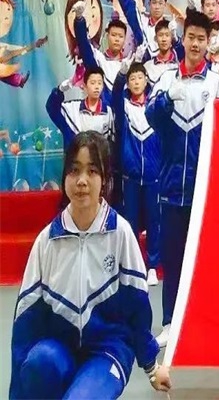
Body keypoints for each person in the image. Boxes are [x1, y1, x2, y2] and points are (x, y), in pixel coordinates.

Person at [9, 132, 171, 399]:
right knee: (39, 363)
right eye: (74, 170)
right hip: (59, 346)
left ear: (105, 179)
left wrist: (152, 368)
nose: (82, 181)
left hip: (108, 349)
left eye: (92, 171)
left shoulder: (120, 234)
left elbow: (137, 308)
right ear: (65, 177)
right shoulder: (47, 241)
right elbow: (26, 322)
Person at [145, 10, 219, 348]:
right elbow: (150, 117)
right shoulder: (167, 79)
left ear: (208, 43)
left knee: (205, 260)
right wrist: (167, 100)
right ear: (183, 39)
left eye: (201, 39)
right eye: (191, 37)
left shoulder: (216, 83)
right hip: (170, 188)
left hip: (203, 190)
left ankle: (205, 322)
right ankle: (169, 322)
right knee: (173, 259)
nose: (195, 44)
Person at [112, 58, 161, 286]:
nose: (136, 82)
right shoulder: (123, 106)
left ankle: (152, 266)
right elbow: (114, 95)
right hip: (130, 176)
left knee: (153, 222)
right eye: (132, 79)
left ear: (146, 81)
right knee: (130, 222)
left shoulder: (154, 106)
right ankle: (133, 265)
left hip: (153, 176)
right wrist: (121, 74)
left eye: (140, 78)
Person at [46, 67, 114, 146]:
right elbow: (51, 107)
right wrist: (63, 87)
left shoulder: (108, 112)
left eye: (99, 83)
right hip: (75, 153)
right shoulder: (72, 109)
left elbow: (112, 143)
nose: (97, 87)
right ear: (85, 86)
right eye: (93, 83)